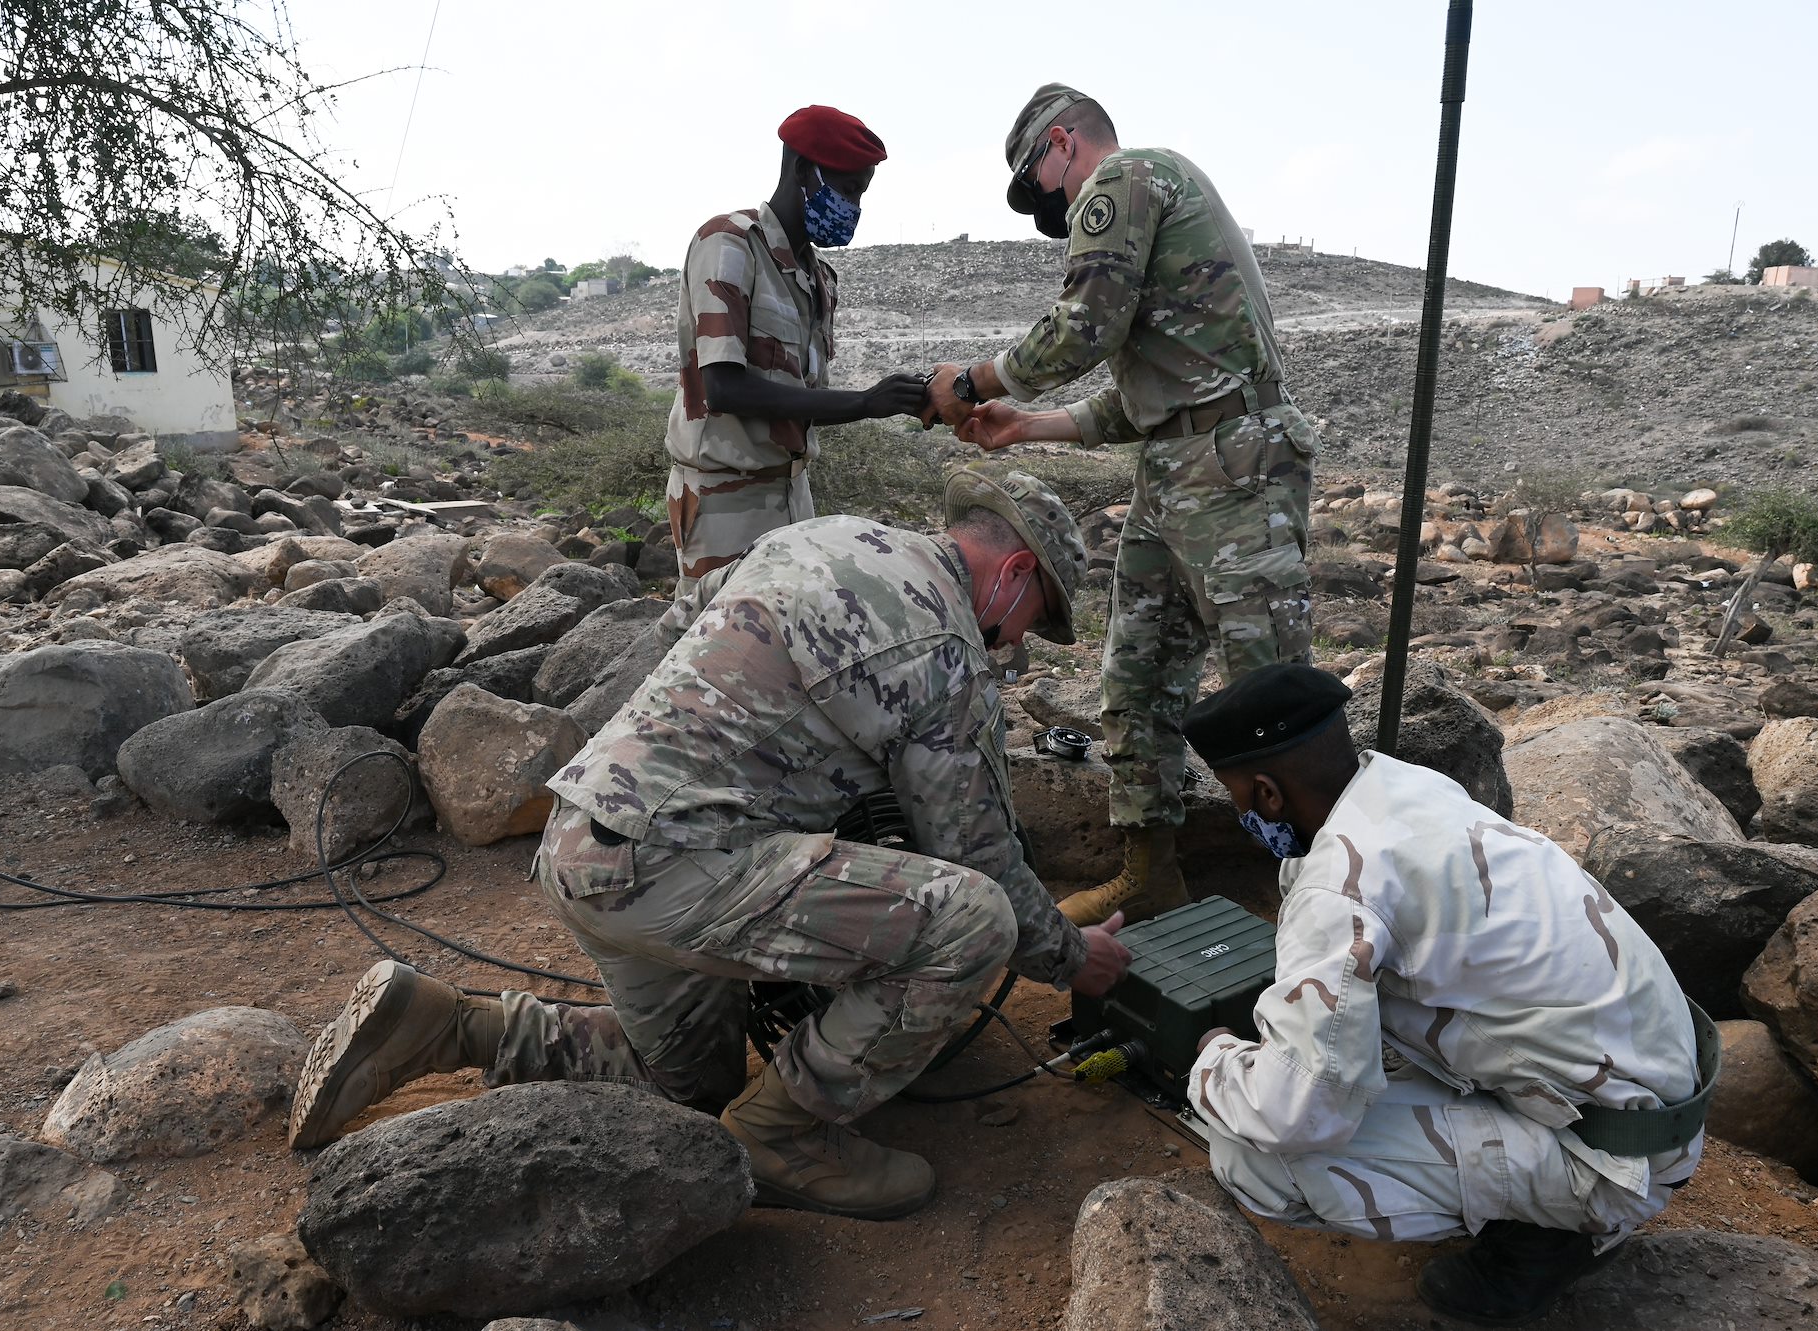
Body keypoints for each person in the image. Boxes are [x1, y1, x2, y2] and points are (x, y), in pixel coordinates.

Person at [288, 469, 1133, 1222]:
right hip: (675, 866)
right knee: (975, 921)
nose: (1015, 643)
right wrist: (1067, 956)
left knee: (691, 1090)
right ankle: (782, 1137)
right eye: (1032, 620)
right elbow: (977, 848)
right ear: (1014, 573)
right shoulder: (940, 639)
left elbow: (676, 643)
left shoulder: (816, 538)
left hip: (584, 842)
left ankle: (444, 1026)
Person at [1179, 664, 1714, 1326]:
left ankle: (1550, 1239)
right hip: (1650, 1094)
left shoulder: (1341, 885)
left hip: (1615, 1155)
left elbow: (1297, 1112)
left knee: (1251, 1155)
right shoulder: (1399, 787)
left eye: (1237, 798)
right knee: (1368, 1043)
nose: (1241, 814)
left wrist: (1211, 1062)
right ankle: (1533, 1186)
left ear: (1266, 792)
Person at [924, 83, 1318, 931]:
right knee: (1137, 674)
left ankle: (1325, 905)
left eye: (1046, 186)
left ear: (1062, 143)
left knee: (1275, 695)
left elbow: (1081, 328)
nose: (1058, 210)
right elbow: (1139, 401)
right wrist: (1025, 426)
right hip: (1177, 465)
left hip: (1234, 465)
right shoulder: (1152, 210)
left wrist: (968, 383)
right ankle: (1150, 873)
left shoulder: (1126, 178)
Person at [664, 104, 931, 593]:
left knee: (780, 649)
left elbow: (799, 399)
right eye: (847, 190)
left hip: (791, 493)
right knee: (717, 652)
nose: (854, 207)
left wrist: (893, 401)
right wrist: (864, 403)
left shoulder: (817, 278)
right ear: (803, 170)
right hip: (726, 500)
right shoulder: (729, 243)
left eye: (861, 194)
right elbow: (724, 388)